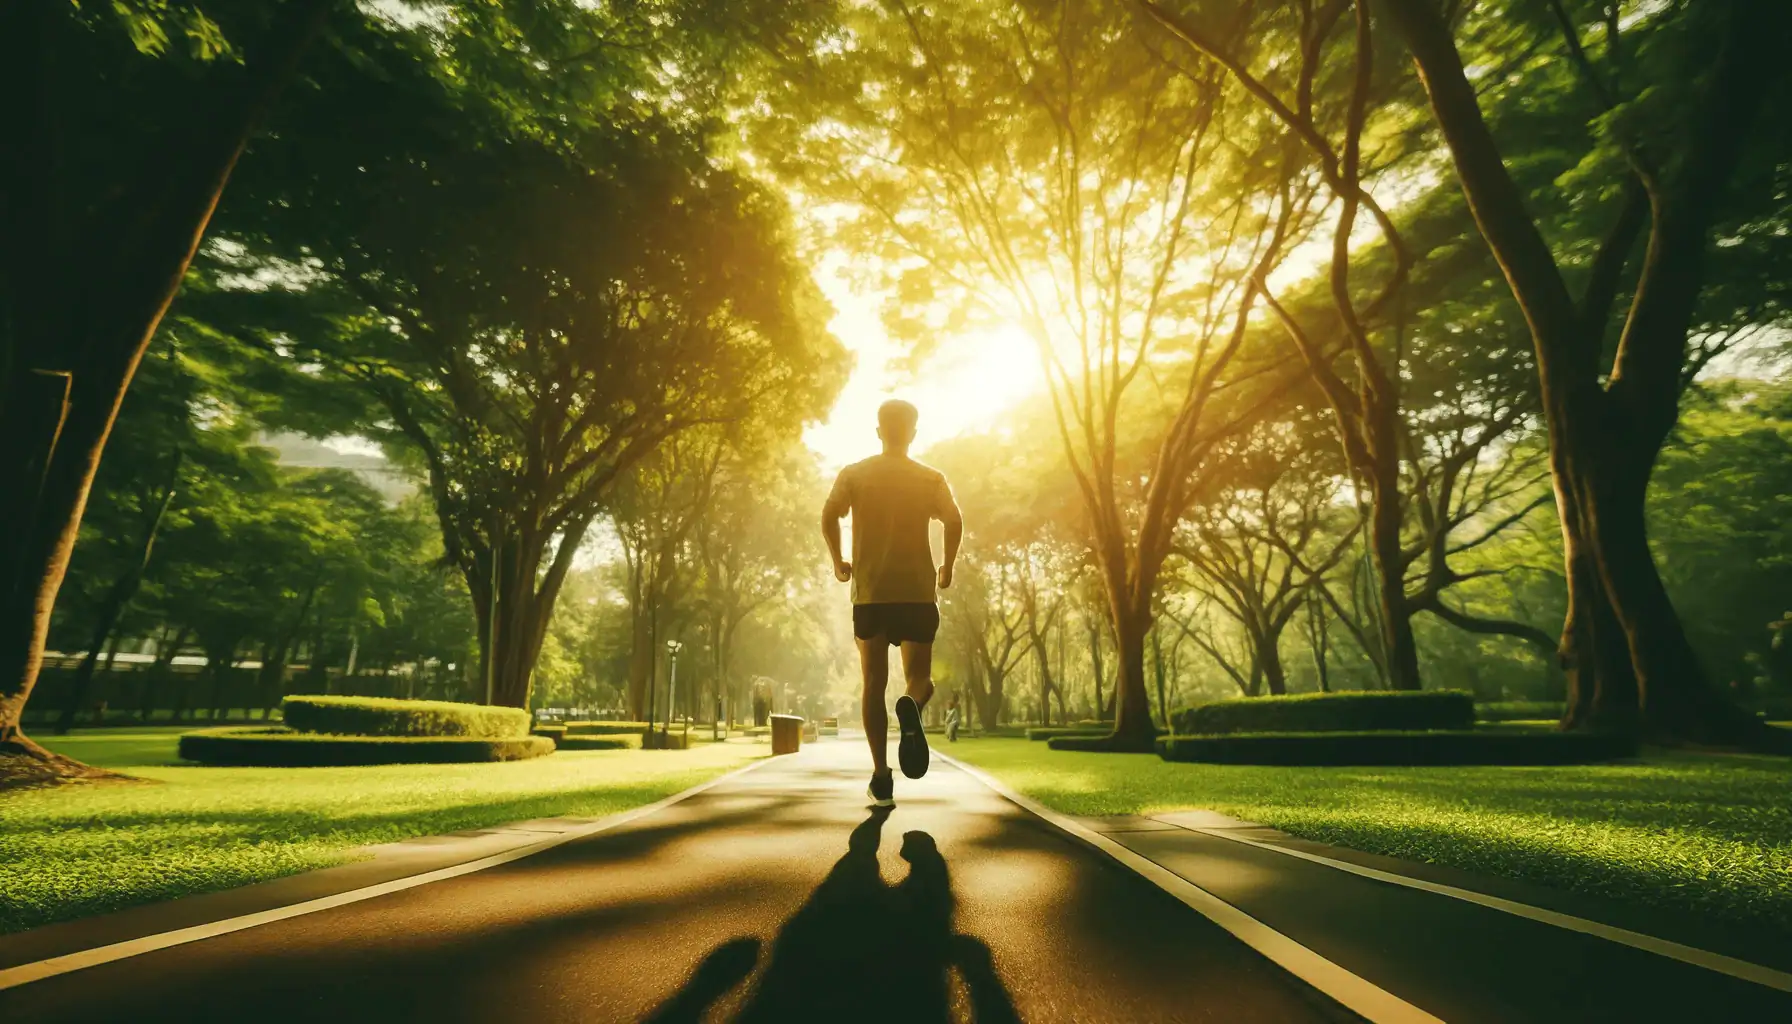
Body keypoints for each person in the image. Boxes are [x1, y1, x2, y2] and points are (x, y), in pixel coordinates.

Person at [821, 399, 963, 807]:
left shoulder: (854, 474)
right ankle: (912, 704)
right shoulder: (930, 478)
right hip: (917, 592)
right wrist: (946, 566)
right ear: (913, 433)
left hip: (871, 594)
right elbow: (954, 520)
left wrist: (838, 560)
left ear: (880, 430)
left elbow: (829, 514)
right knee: (921, 679)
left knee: (873, 685)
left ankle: (882, 778)